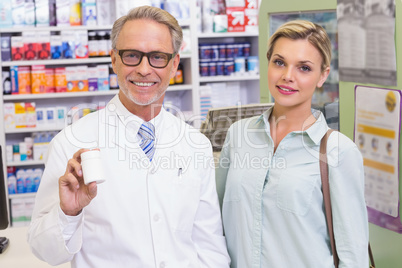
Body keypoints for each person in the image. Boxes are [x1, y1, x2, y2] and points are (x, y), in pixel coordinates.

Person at [28, 6, 230, 267]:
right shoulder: (71, 142)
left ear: (174, 64)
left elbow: (208, 243)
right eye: (132, 55)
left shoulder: (196, 145)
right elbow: (45, 252)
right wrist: (69, 212)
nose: (144, 69)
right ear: (114, 59)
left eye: (157, 57)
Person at [216, 20, 369, 267]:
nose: (287, 76)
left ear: (323, 76)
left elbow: (353, 254)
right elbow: (215, 223)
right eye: (279, 62)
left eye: (304, 68)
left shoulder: (339, 152)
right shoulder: (238, 135)